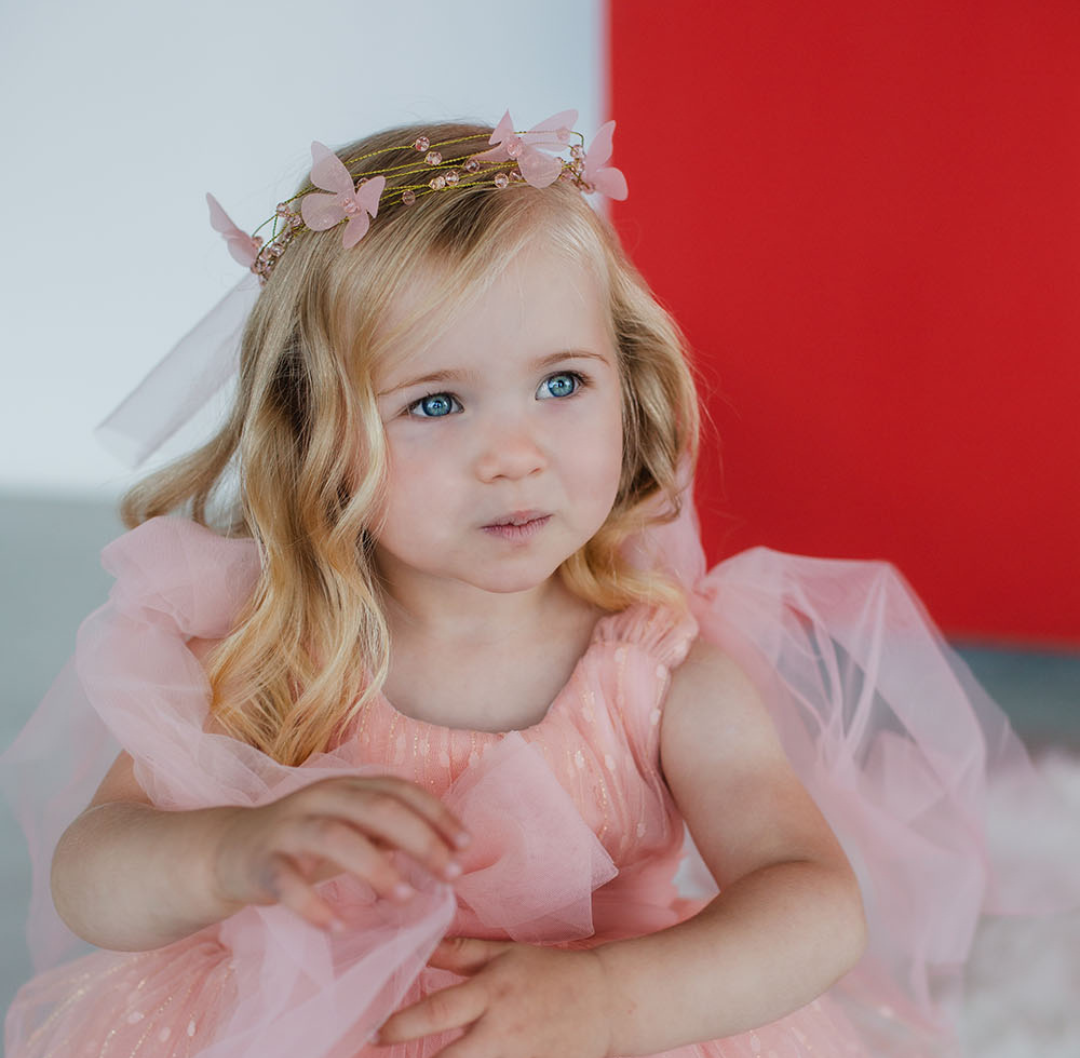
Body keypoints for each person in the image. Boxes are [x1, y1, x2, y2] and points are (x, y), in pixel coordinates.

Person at [1, 110, 1075, 1058]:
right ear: (319, 435)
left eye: (560, 383)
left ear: (628, 380)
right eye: (436, 404)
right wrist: (227, 853)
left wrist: (606, 1002)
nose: (513, 455)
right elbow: (92, 874)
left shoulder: (660, 675)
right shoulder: (275, 657)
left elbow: (813, 904)